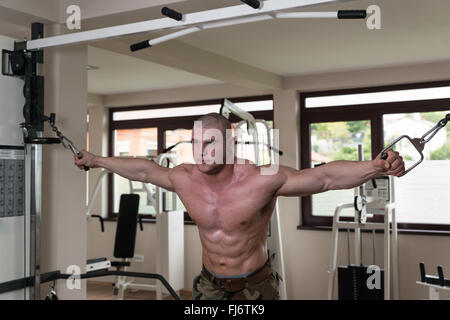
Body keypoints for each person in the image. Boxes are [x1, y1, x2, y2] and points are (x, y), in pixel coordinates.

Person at [74, 113, 405, 300]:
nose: (200, 151)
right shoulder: (184, 178)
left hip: (255, 287)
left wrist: (375, 167)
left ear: (229, 144)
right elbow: (145, 169)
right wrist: (95, 159)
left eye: (209, 143)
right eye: (195, 143)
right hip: (208, 284)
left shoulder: (260, 179)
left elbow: (323, 179)